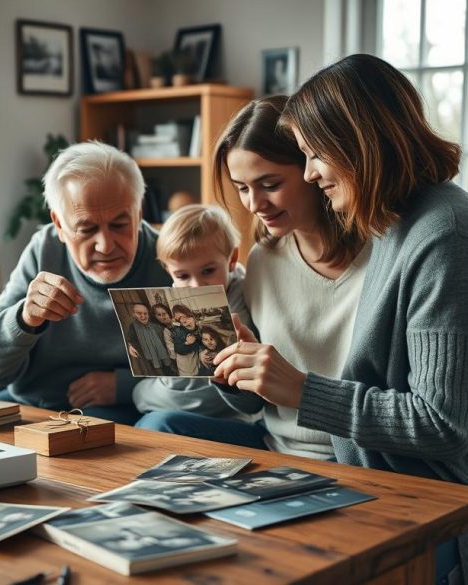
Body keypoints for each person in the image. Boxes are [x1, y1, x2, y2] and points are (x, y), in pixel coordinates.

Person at [215, 54, 468, 585]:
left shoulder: (450, 239)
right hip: (385, 483)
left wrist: (304, 391)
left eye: (314, 156)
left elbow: (444, 426)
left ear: (358, 144)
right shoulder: (395, 227)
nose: (310, 173)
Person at [136, 96, 369, 459]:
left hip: (351, 451)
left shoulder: (379, 257)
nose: (253, 204)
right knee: (153, 430)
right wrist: (231, 379)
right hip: (272, 443)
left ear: (312, 169)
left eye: (270, 184)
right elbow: (251, 406)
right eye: (242, 188)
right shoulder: (263, 259)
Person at [0, 141, 170, 425]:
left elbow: (200, 369)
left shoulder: (171, 258)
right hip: (34, 404)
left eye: (120, 225)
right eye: (87, 229)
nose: (106, 246)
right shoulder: (44, 249)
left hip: (123, 410)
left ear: (139, 212)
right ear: (59, 225)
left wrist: (123, 386)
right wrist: (24, 319)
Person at [131, 205, 254, 422]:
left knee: (149, 411)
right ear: (168, 270)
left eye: (208, 271)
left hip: (228, 415)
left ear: (232, 259)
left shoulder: (242, 300)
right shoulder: (170, 304)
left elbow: (201, 390)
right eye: (182, 275)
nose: (196, 285)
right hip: (180, 399)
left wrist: (145, 393)